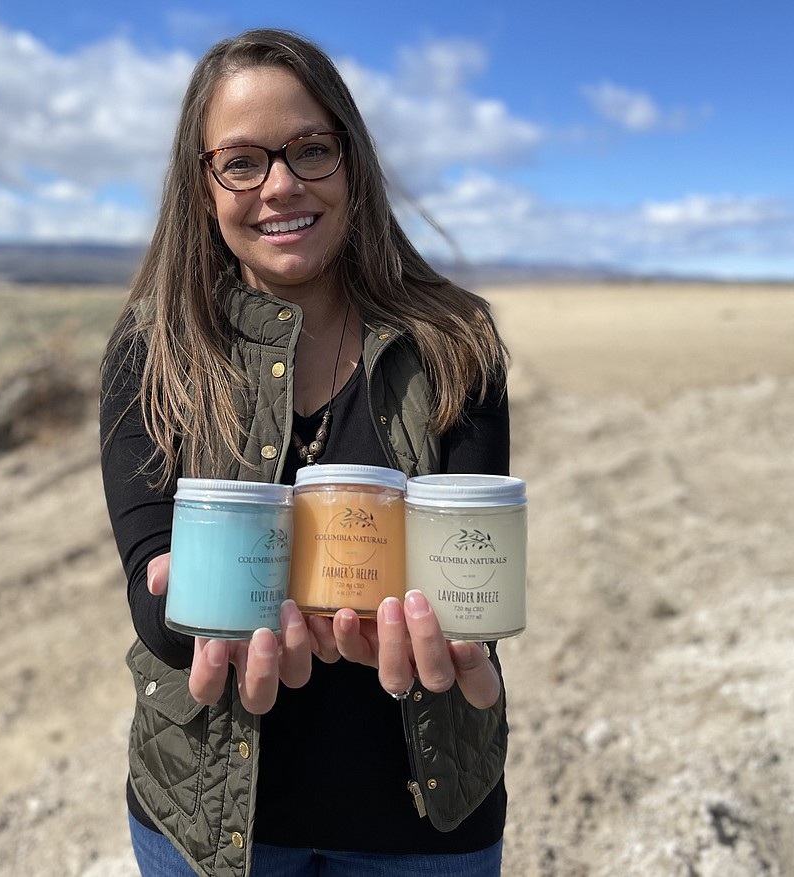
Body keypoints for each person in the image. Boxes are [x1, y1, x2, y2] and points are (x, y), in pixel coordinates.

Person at [100, 28, 511, 877]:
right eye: (241, 162)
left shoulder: (455, 344)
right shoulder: (155, 349)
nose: (281, 184)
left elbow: (471, 579)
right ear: (203, 186)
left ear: (351, 162)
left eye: (310, 150)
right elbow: (153, 593)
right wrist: (193, 617)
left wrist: (463, 638)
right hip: (207, 823)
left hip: (425, 827)